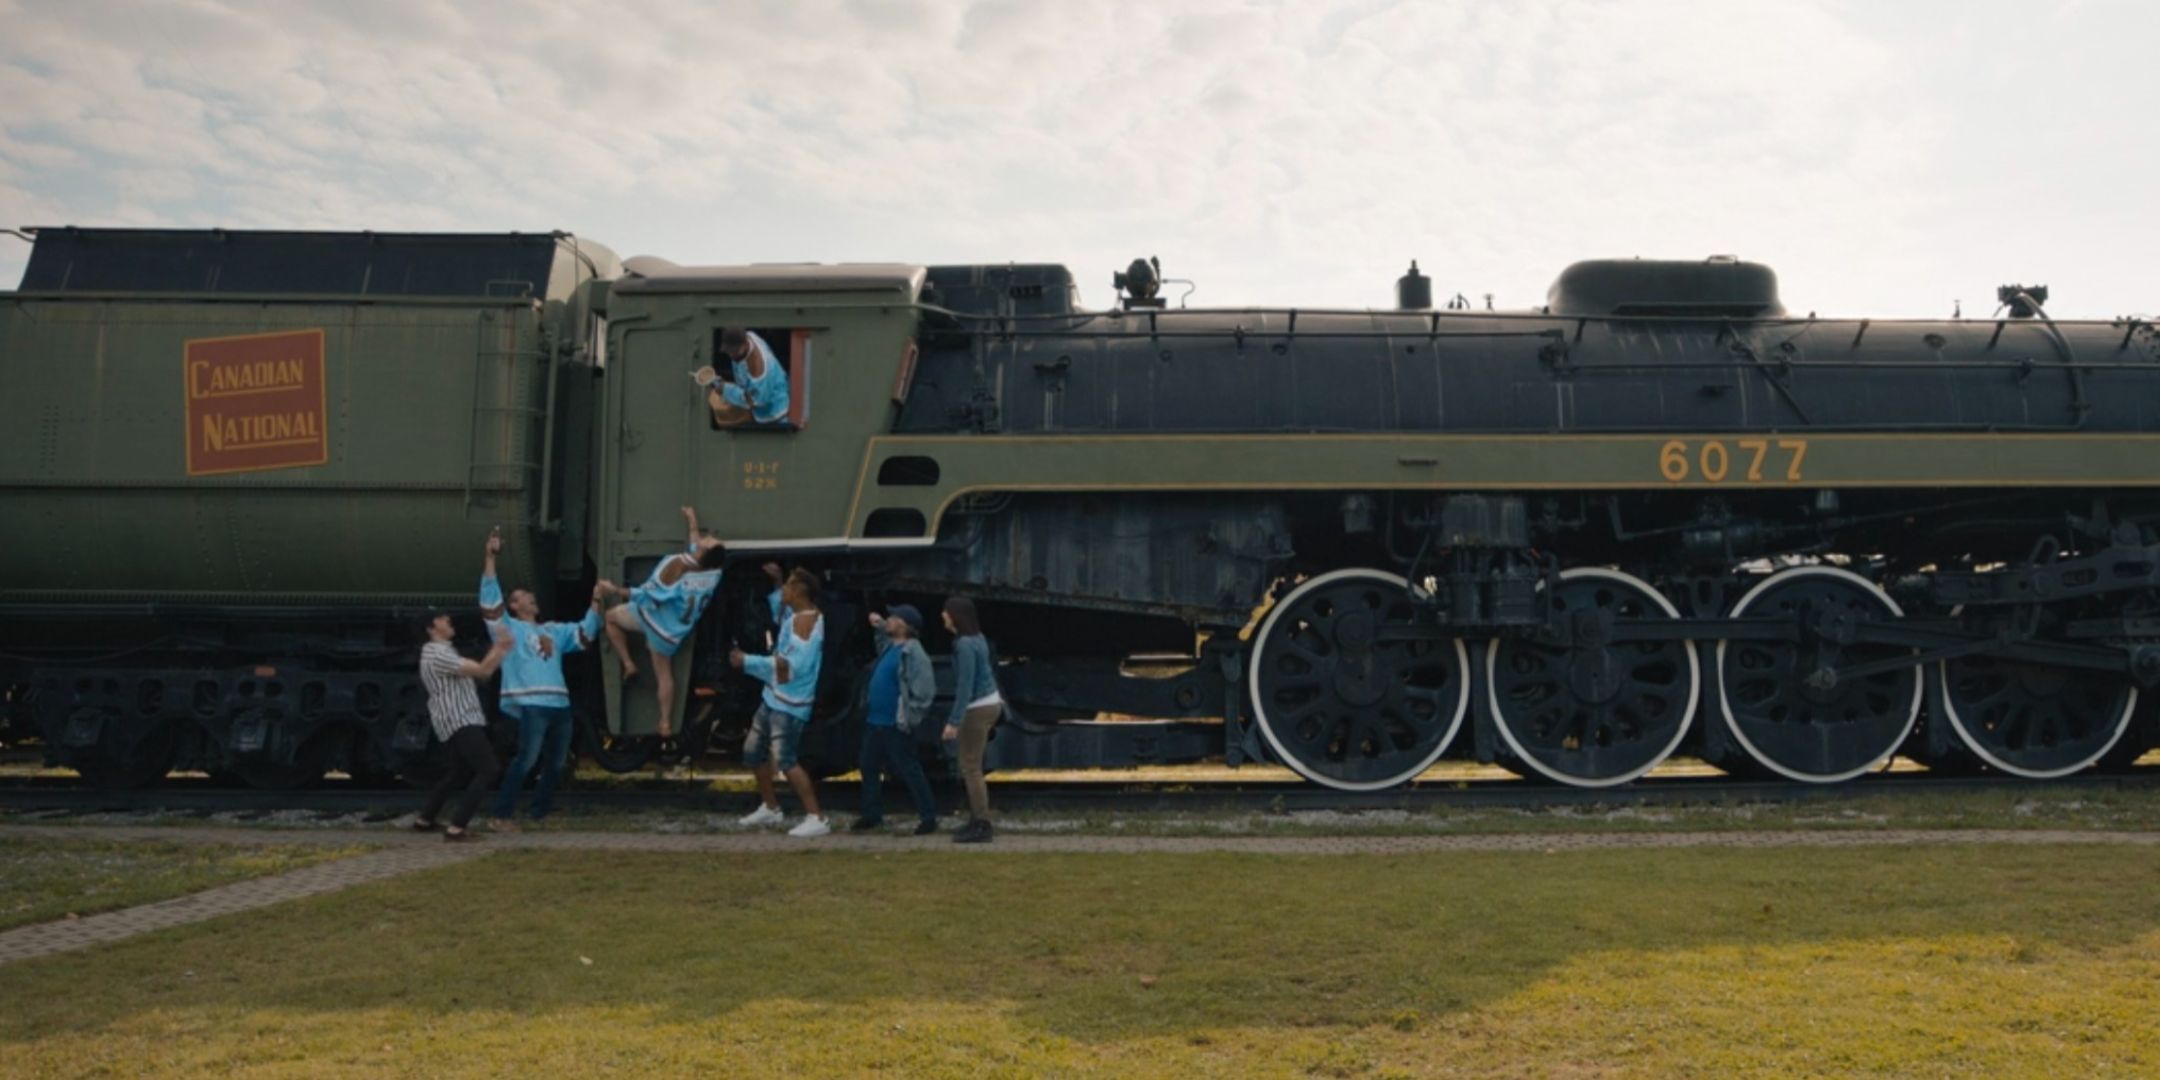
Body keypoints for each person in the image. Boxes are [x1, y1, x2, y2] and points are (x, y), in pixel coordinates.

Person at [478, 527, 611, 831]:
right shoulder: (508, 629)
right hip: (533, 704)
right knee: (526, 760)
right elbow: (490, 606)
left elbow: (583, 635)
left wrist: (595, 601)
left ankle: (539, 814)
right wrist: (490, 558)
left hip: (559, 704)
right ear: (514, 605)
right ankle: (501, 816)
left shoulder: (552, 630)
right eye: (525, 596)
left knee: (556, 764)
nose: (532, 598)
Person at [599, 505, 724, 741]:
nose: (706, 538)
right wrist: (692, 521)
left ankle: (628, 663)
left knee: (611, 618)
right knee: (664, 675)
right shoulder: (714, 573)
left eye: (708, 541)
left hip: (652, 619)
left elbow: (648, 595)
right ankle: (665, 721)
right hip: (673, 632)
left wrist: (614, 589)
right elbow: (696, 548)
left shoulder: (677, 570)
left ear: (701, 554)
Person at [732, 568, 830, 837]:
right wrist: (775, 579)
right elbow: (777, 603)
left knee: (786, 760)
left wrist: (747, 661)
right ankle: (771, 807)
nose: (783, 591)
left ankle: (816, 817)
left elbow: (790, 667)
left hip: (790, 704)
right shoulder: (794, 613)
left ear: (799, 592)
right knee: (753, 752)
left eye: (788, 586)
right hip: (772, 698)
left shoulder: (810, 627)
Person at [413, 610, 513, 842]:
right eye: (442, 619)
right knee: (489, 769)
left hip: (453, 718)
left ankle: (425, 819)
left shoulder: (438, 652)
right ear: (431, 628)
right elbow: (483, 670)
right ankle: (457, 828)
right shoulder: (438, 654)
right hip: (460, 719)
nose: (448, 620)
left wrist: (500, 648)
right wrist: (501, 646)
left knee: (458, 772)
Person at [852, 604, 939, 835]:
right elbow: (882, 637)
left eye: (893, 617)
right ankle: (872, 814)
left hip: (895, 723)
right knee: (868, 766)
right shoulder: (892, 648)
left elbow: (924, 691)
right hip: (876, 721)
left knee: (908, 769)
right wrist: (879, 624)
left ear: (904, 625)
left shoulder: (914, 654)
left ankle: (928, 816)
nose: (889, 619)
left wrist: (911, 717)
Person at [943, 596, 1003, 844]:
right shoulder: (978, 639)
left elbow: (965, 686)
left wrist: (954, 721)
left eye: (946, 612)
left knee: (971, 767)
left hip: (977, 708)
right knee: (972, 765)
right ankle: (978, 818)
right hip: (990, 703)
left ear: (956, 617)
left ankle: (981, 823)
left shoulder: (965, 645)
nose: (943, 616)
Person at [693, 327, 789, 428]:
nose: (730, 354)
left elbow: (755, 401)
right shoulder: (749, 336)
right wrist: (718, 381)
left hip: (772, 413)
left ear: (744, 345)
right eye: (728, 351)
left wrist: (725, 390)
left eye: (734, 351)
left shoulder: (757, 369)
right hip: (772, 386)